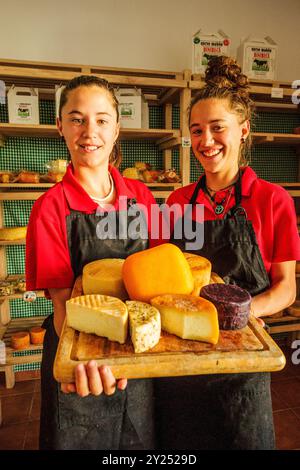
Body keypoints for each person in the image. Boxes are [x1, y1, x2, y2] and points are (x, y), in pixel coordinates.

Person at [154, 56, 300, 450]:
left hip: (243, 353)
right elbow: (163, 274)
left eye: (218, 128)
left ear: (244, 130)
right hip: (183, 349)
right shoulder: (178, 201)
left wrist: (241, 313)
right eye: (197, 130)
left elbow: (286, 288)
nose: (206, 141)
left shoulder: (273, 200)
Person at [26, 75, 159, 450]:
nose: (90, 131)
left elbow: (156, 281)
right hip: (81, 357)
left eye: (101, 119)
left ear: (117, 128)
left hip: (136, 353)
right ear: (60, 126)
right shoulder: (50, 207)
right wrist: (79, 363)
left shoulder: (142, 197)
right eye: (76, 118)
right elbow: (60, 302)